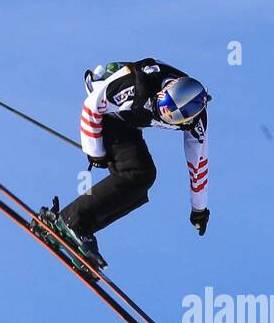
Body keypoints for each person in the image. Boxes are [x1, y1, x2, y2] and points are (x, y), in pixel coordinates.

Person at [42, 58, 210, 267]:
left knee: (142, 177)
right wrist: (95, 151)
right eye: (161, 107)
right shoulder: (136, 87)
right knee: (136, 173)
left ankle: (78, 227)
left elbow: (198, 163)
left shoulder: (196, 123)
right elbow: (91, 107)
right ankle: (72, 222)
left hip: (127, 122)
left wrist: (199, 209)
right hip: (106, 112)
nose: (162, 114)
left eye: (169, 117)